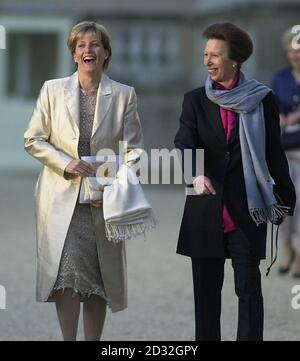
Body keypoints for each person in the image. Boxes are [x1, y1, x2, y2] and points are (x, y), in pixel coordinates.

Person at [174, 22, 296, 341]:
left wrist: (285, 195)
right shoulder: (195, 100)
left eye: (216, 55)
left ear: (235, 59)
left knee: (249, 290)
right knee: (206, 297)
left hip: (247, 209)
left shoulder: (262, 98)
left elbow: (272, 151)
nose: (208, 61)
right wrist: (196, 175)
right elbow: (184, 143)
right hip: (205, 208)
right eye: (205, 54)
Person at [24, 21, 143, 341]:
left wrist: (113, 187)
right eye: (81, 45)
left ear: (106, 54)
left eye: (95, 45)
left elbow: (134, 151)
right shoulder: (52, 89)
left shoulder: (123, 95)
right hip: (60, 199)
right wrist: (67, 163)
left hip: (104, 202)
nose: (88, 50)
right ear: (74, 54)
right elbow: (33, 139)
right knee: (66, 276)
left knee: (98, 279)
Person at [271, 28, 300, 277]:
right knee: (284, 202)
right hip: (285, 149)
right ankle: (288, 248)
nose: (295, 56)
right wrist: (279, 117)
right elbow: (273, 108)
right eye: (292, 51)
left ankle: (299, 255)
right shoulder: (280, 78)